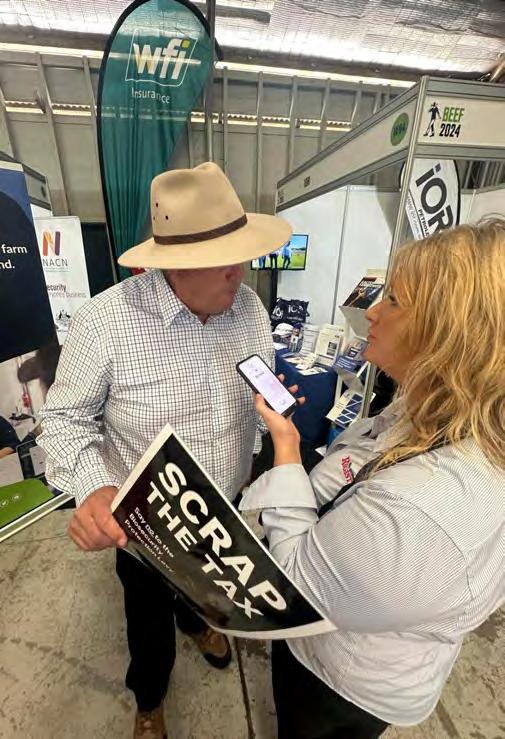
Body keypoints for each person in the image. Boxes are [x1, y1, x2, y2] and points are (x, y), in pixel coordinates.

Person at [37, 162, 291, 739]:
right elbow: (64, 420)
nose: (239, 271)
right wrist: (95, 489)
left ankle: (197, 622)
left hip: (223, 508)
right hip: (146, 520)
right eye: (223, 259)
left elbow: (256, 388)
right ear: (174, 265)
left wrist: (267, 435)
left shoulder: (249, 309)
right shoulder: (105, 323)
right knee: (147, 617)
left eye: (242, 254)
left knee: (205, 591)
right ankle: (149, 698)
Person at [240, 219, 505, 738]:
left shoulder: (420, 512)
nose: (373, 311)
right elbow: (355, 465)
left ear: (449, 333)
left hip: (341, 680)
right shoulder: (432, 411)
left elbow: (295, 584)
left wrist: (286, 447)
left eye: (395, 301)